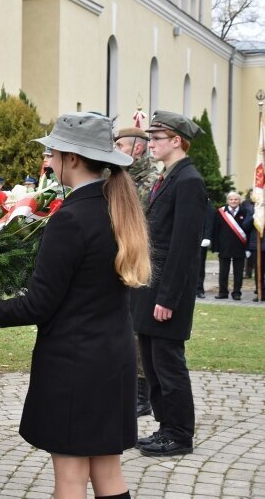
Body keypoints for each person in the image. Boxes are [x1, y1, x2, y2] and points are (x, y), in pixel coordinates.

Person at [0, 112, 149, 499]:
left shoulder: (70, 219)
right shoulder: (116, 208)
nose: (49, 161)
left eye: (53, 152)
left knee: (70, 481)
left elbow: (37, 305)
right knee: (108, 474)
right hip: (113, 357)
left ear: (71, 158)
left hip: (74, 365)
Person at [131, 110, 207, 457]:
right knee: (153, 362)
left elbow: (183, 247)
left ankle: (179, 434)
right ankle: (165, 427)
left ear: (177, 141)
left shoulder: (188, 180)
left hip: (165, 293)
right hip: (150, 289)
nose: (151, 145)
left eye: (157, 139)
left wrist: (169, 298)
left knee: (168, 365)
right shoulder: (169, 177)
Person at [114, 126, 159, 418]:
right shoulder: (120, 176)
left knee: (137, 329)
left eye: (119, 144)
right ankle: (127, 387)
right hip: (118, 259)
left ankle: (142, 395)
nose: (115, 147)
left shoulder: (150, 181)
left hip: (139, 263)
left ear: (136, 148)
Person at [212, 191, 252, 300]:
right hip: (224, 247)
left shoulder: (245, 212)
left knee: (238, 272)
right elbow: (215, 231)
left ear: (239, 201)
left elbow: (248, 232)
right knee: (223, 272)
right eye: (231, 199)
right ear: (227, 201)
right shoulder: (220, 212)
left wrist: (248, 248)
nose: (233, 201)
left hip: (240, 247)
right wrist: (215, 248)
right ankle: (223, 292)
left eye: (236, 199)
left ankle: (237, 293)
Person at [197, 198, 215, 298]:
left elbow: (209, 219)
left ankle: (199, 289)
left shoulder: (206, 201)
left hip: (201, 240)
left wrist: (207, 237)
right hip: (186, 239)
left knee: (199, 266)